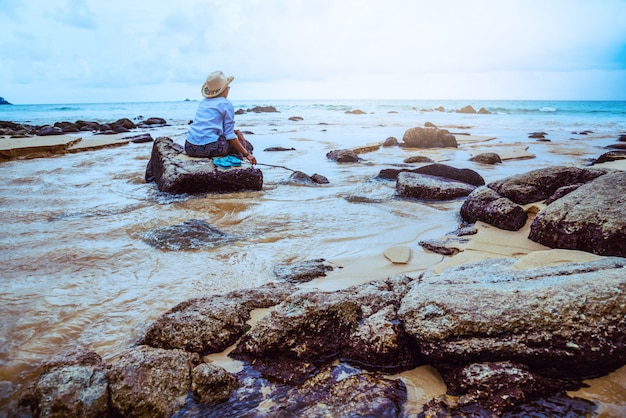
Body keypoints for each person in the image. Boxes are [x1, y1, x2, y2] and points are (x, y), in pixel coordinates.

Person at [185, 71, 257, 165]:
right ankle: (240, 167)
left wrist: (237, 131)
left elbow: (210, 126)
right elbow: (229, 135)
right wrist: (247, 154)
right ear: (224, 89)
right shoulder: (225, 103)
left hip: (189, 146)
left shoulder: (203, 102)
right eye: (228, 87)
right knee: (238, 146)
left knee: (231, 140)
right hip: (209, 147)